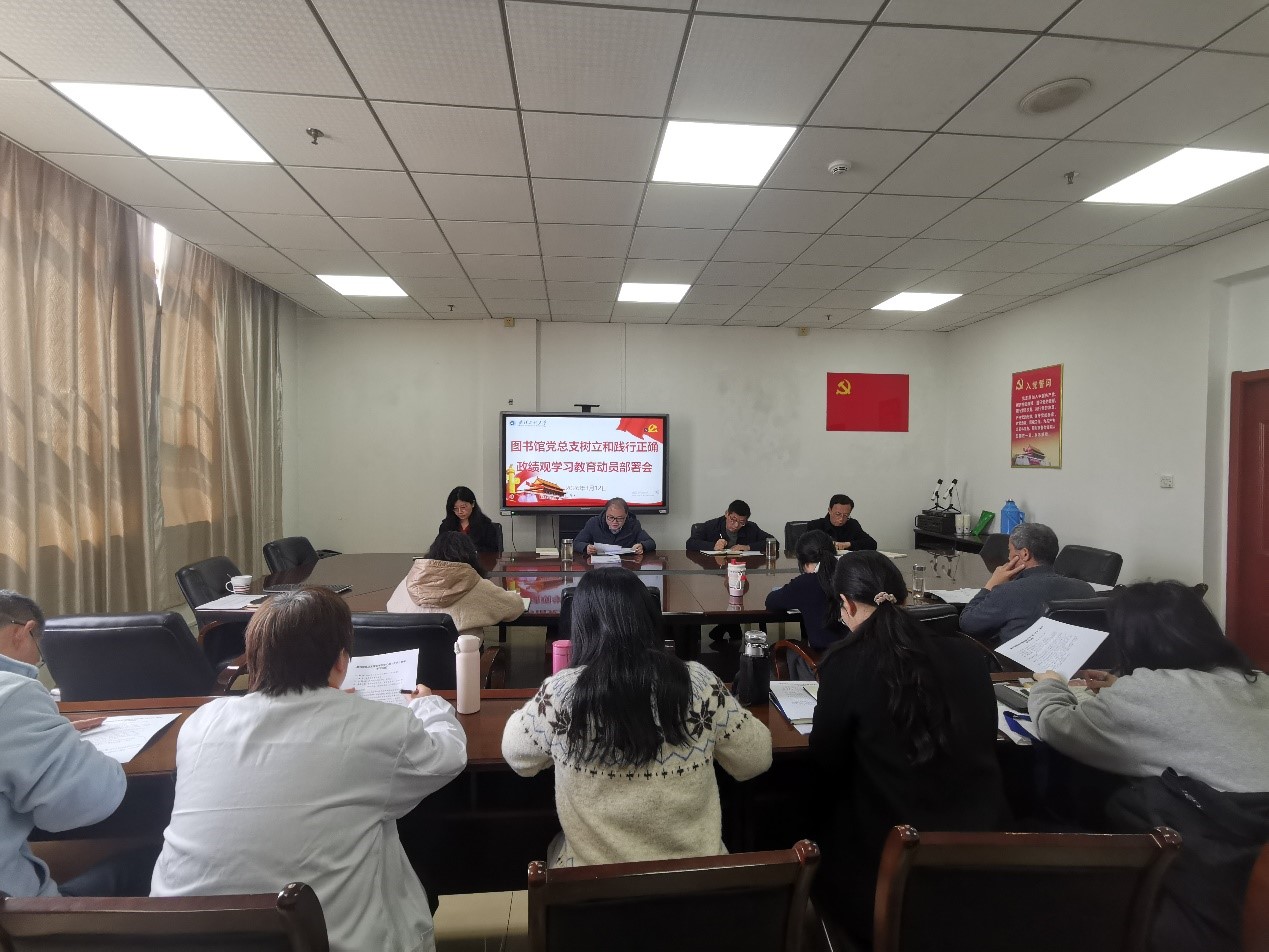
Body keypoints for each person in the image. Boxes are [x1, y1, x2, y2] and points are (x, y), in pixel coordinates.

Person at [151, 587, 467, 952]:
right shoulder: (379, 727)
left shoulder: (200, 723)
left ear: (254, 659)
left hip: (180, 938)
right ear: (341, 662)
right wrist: (428, 706)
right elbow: (449, 755)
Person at [501, 567, 772, 867]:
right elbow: (756, 758)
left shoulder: (562, 695)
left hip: (592, 888)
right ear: (649, 619)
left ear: (580, 626)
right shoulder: (698, 684)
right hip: (695, 885)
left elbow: (517, 756)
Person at [809, 553, 1008, 946]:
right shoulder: (969, 656)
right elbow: (985, 737)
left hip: (891, 863)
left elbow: (825, 763)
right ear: (904, 597)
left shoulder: (845, 663)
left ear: (846, 604)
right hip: (983, 855)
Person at [1028, 581, 1269, 789]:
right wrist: (1123, 685)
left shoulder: (1146, 691)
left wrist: (1050, 684)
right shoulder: (1256, 679)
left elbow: (1056, 726)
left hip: (1227, 822)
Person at [0, 590, 140, 898]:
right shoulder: (14, 693)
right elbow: (87, 802)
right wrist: (64, 742)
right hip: (16, 912)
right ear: (23, 632)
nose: (37, 661)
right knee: (145, 858)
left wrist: (47, 733)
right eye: (39, 651)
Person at [958, 522, 1094, 645]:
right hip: (1065, 663)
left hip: (1009, 663)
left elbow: (968, 623)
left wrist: (990, 585)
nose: (1008, 557)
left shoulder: (1009, 591)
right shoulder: (1086, 590)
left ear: (1024, 554)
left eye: (1010, 551)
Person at [386, 531, 525, 636]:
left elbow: (391, 608)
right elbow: (515, 607)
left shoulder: (409, 580)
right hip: (460, 660)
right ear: (471, 555)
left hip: (407, 657)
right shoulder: (475, 584)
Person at [765, 530, 846, 677]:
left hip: (823, 666)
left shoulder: (805, 583)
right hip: (861, 661)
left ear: (803, 562)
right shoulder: (850, 573)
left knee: (775, 654)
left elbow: (771, 601)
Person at [572, 497, 656, 555]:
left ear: (626, 515)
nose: (614, 522)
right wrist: (586, 547)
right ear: (605, 513)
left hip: (625, 566)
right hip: (599, 567)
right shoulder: (594, 523)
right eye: (610, 517)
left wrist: (642, 546)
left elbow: (651, 543)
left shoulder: (633, 524)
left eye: (620, 518)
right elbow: (576, 543)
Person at [686, 500, 774, 552]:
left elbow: (774, 542)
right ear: (726, 514)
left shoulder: (751, 528)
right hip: (717, 568)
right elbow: (690, 543)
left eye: (741, 522)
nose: (736, 525)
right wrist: (713, 546)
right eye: (733, 519)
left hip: (741, 567)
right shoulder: (712, 526)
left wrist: (748, 547)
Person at [438, 485, 501, 553]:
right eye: (455, 508)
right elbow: (438, 548)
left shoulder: (486, 525)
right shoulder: (446, 525)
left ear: (473, 504)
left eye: (463, 507)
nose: (460, 512)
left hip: (478, 559)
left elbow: (493, 551)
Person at [805, 494, 878, 551]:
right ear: (829, 510)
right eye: (838, 514)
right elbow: (805, 546)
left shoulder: (853, 524)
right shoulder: (815, 525)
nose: (841, 519)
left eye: (846, 515)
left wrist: (848, 544)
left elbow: (872, 544)